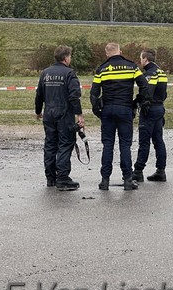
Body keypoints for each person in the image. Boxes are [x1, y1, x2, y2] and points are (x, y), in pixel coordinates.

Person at [90, 42, 148, 191]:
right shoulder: (131, 66)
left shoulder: (102, 68)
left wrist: (97, 111)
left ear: (106, 54)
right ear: (120, 51)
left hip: (108, 110)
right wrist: (137, 102)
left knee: (108, 144)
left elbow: (94, 93)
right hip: (125, 109)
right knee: (125, 145)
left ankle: (105, 180)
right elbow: (144, 85)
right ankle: (128, 179)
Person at [35, 45, 85, 191]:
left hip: (49, 114)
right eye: (70, 56)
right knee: (65, 144)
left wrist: (38, 111)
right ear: (66, 58)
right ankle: (63, 178)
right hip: (64, 114)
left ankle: (50, 177)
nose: (70, 59)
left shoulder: (45, 73)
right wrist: (79, 114)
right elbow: (74, 95)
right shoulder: (70, 73)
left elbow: (39, 95)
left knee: (50, 144)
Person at [133, 49, 168, 182]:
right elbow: (163, 93)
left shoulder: (150, 74)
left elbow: (147, 92)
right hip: (159, 108)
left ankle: (138, 171)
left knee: (144, 141)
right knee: (158, 140)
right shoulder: (161, 72)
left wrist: (137, 102)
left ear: (145, 59)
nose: (140, 61)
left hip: (150, 110)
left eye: (141, 58)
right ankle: (161, 170)